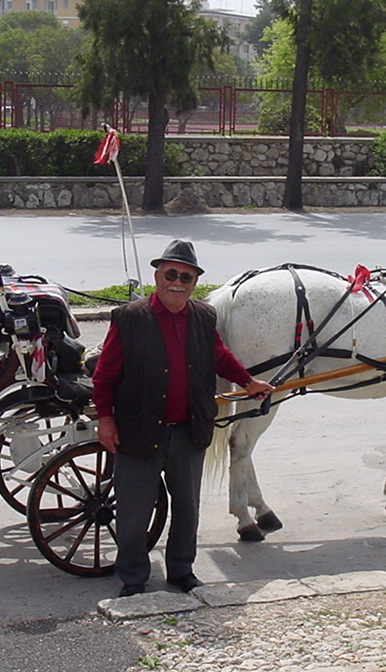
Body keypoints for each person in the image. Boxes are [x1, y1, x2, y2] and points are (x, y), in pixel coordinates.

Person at [92, 239, 274, 598]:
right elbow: (104, 375)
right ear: (157, 277)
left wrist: (249, 383)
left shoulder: (203, 317)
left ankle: (181, 570)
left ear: (194, 282)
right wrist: (106, 420)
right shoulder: (129, 318)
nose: (177, 282)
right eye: (171, 274)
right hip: (140, 431)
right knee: (133, 512)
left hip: (189, 432)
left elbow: (221, 357)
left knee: (187, 510)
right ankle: (133, 577)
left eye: (185, 277)